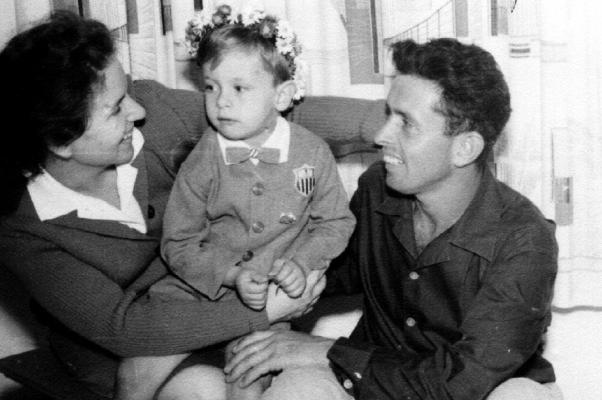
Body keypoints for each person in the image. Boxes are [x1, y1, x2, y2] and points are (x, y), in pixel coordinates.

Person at [0, 11, 324, 400]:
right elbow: (124, 328)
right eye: (116, 107)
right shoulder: (22, 229)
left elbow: (264, 115)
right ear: (61, 141)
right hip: (120, 348)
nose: (137, 111)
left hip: (213, 298)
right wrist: (268, 310)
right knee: (201, 391)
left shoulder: (153, 114)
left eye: (128, 92)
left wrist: (377, 120)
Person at [224, 38, 562, 400]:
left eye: (406, 124)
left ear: (465, 148)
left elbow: (463, 381)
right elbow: (323, 270)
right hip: (374, 382)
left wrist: (329, 352)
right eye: (389, 115)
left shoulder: (525, 240)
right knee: (296, 390)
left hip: (475, 392)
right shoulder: (377, 189)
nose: (381, 136)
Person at [116, 5, 355, 400]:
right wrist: (230, 275)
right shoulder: (204, 158)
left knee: (248, 375)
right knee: (135, 371)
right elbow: (178, 243)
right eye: (211, 87)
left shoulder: (312, 152)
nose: (221, 102)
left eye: (239, 88)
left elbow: (336, 222)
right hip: (193, 294)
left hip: (267, 302)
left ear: (282, 95)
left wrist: (301, 262)